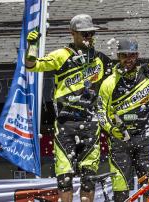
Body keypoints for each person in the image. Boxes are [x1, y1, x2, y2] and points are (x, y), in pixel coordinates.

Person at [25, 14, 113, 202]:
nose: (88, 37)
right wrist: (31, 46)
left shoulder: (100, 59)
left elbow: (120, 76)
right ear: (72, 33)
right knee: (64, 179)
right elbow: (31, 66)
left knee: (88, 178)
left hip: (91, 123)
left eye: (90, 33)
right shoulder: (61, 55)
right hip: (66, 123)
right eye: (84, 34)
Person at [97, 38, 149, 201]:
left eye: (131, 55)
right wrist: (111, 130)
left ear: (137, 55)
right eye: (124, 55)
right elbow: (101, 112)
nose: (128, 59)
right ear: (118, 56)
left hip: (146, 139)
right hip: (120, 142)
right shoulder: (108, 83)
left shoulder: (148, 74)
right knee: (120, 192)